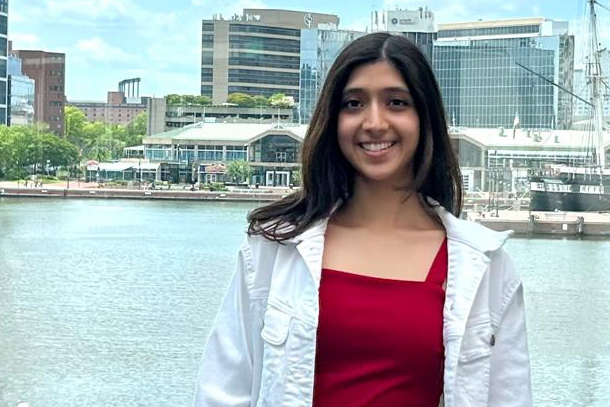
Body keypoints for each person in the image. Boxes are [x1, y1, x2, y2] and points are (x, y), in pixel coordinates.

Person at [193, 33, 532, 407]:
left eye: (396, 102)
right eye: (354, 103)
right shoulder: (274, 250)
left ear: (424, 117)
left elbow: (510, 397)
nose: (374, 122)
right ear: (332, 119)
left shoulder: (484, 265)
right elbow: (223, 391)